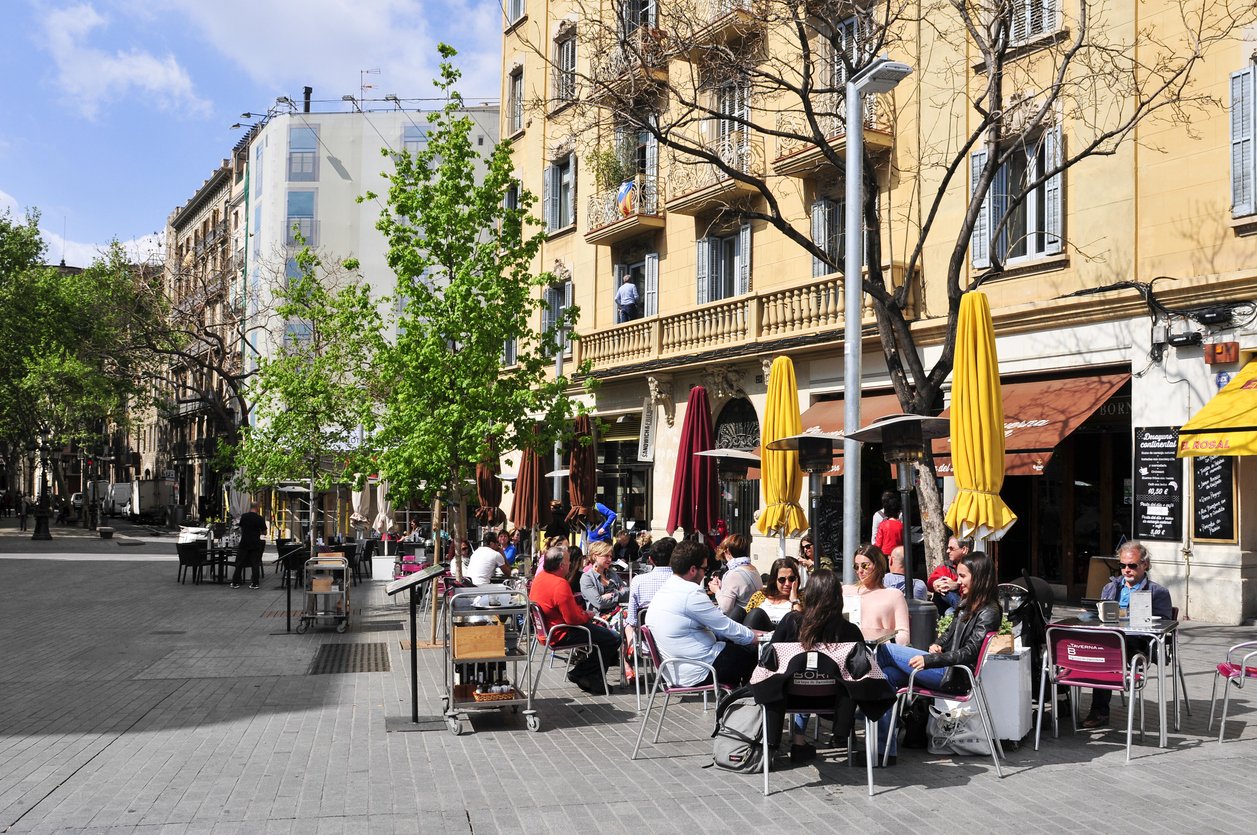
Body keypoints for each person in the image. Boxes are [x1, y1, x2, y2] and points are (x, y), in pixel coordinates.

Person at [761, 569, 868, 762]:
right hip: (836, 700)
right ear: (838, 597)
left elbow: (771, 657)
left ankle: (788, 743)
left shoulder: (791, 621)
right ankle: (844, 736)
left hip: (792, 697)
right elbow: (861, 668)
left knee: (800, 674)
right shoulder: (850, 631)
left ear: (808, 595)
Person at [877, 550, 1001, 695]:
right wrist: (937, 644)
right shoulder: (969, 603)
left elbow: (970, 652)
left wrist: (930, 660)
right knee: (886, 675)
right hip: (947, 668)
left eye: (962, 576)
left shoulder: (989, 612)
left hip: (954, 675)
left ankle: (850, 688)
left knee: (885, 651)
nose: (958, 581)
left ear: (979, 577)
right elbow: (949, 633)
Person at [1083, 540, 1174, 728]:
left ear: (1144, 565)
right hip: (1110, 638)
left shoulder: (1158, 592)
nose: (1126, 570)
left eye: (1132, 565)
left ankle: (1099, 711)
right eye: (1122, 565)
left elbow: (1165, 624)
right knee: (1091, 652)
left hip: (1138, 642)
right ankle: (1081, 705)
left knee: (1107, 655)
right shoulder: (1110, 587)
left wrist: (1142, 617)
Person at [648, 540, 759, 687]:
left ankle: (739, 696)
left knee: (741, 641)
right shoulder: (690, 593)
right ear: (693, 570)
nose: (704, 574)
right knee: (757, 654)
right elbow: (725, 626)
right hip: (700, 668)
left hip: (678, 667)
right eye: (704, 570)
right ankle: (748, 699)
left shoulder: (666, 589)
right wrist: (758, 638)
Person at [845, 544, 911, 762]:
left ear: (878, 565)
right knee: (882, 678)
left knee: (884, 678)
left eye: (865, 565)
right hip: (851, 658)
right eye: (856, 566)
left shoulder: (892, 595)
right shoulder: (848, 591)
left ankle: (882, 750)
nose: (860, 571)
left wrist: (884, 637)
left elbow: (904, 635)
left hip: (881, 655)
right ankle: (881, 749)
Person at [529, 545, 622, 693]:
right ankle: (585, 674)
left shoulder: (539, 578)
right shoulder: (559, 583)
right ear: (561, 565)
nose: (571, 564)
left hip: (549, 631)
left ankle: (588, 676)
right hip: (561, 632)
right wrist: (587, 615)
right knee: (613, 638)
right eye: (568, 561)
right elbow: (573, 619)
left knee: (605, 635)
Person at [626, 536, 676, 643]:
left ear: (650, 560)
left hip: (647, 637)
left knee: (627, 625)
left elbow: (632, 620)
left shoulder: (638, 580)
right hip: (675, 637)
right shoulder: (682, 580)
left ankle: (630, 656)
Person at [743, 557, 802, 631]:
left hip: (780, 636)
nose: (787, 584)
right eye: (782, 580)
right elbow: (747, 617)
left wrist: (794, 600)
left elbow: (800, 623)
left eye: (791, 579)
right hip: (758, 634)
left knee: (757, 612)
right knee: (738, 611)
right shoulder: (759, 596)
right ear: (774, 580)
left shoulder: (801, 598)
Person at [710, 534, 762, 616]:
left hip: (740, 621)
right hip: (752, 617)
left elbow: (726, 608)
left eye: (724, 552)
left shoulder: (733, 574)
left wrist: (716, 590)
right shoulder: (752, 568)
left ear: (728, 552)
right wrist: (722, 587)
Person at [580, 540, 628, 619]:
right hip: (600, 619)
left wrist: (612, 595)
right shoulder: (587, 578)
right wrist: (619, 595)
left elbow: (627, 592)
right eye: (606, 556)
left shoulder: (612, 573)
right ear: (595, 556)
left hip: (618, 612)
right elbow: (599, 603)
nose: (609, 560)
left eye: (610, 556)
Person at [928, 535, 971, 615]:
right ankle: (964, 612)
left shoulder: (975, 566)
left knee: (950, 612)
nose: (947, 551)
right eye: (948, 548)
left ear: (964, 549)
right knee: (945, 589)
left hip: (969, 603)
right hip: (945, 607)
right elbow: (930, 582)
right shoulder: (946, 566)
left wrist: (957, 585)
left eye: (951, 548)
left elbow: (977, 587)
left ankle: (965, 612)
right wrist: (935, 584)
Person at [231, 501, 267, 589]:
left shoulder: (244, 516)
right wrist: (259, 531)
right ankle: (255, 583)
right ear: (257, 507)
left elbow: (241, 528)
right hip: (255, 543)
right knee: (255, 563)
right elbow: (265, 532)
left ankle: (235, 582)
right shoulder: (260, 518)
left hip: (244, 542)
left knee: (239, 562)